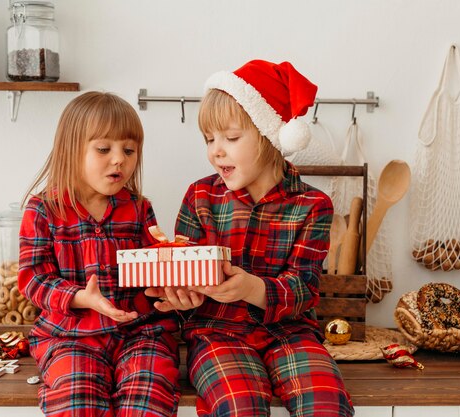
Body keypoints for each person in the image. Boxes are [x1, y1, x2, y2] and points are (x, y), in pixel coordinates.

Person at [146, 60, 355, 417]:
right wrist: (180, 297)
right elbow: (184, 270)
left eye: (230, 137)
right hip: (217, 332)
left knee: (325, 404)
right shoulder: (200, 197)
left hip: (290, 332)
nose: (216, 150)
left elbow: (304, 287)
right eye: (209, 139)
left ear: (269, 135)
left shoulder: (313, 205)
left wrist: (251, 289)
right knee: (240, 406)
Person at [19, 91, 181, 417]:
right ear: (71, 151)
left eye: (129, 150)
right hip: (70, 337)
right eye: (104, 149)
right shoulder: (44, 209)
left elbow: (156, 270)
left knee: (149, 393)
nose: (119, 159)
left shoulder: (138, 208)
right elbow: (34, 279)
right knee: (77, 400)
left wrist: (169, 287)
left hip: (140, 332)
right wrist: (81, 297)